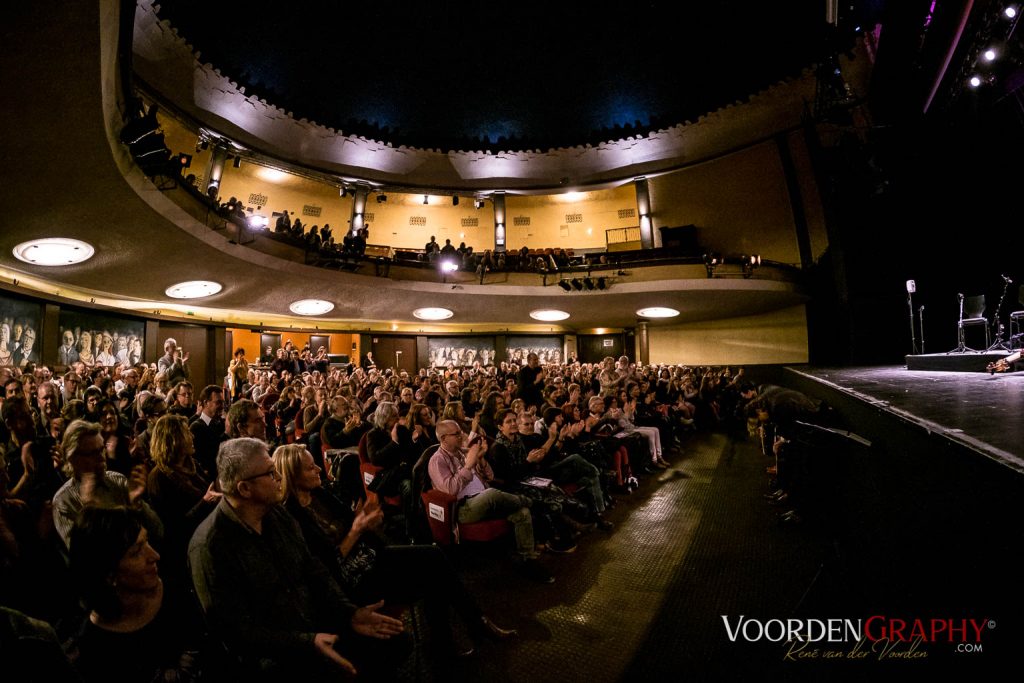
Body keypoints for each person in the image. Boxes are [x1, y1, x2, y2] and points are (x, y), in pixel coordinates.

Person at [273, 444, 516, 666]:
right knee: (432, 578)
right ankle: (458, 639)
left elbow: (355, 526)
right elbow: (324, 568)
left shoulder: (319, 495)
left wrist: (364, 523)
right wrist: (357, 530)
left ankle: (472, 625)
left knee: (434, 557)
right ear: (293, 475)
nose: (318, 468)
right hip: (350, 580)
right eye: (309, 467)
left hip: (371, 557)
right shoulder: (290, 517)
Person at [188, 437, 406, 679]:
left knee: (395, 643)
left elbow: (314, 569)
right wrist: (307, 642)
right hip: (275, 654)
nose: (279, 478)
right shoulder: (210, 546)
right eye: (271, 473)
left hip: (314, 623)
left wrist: (348, 613)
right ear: (245, 489)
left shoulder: (277, 516)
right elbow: (236, 632)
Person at [66, 505, 203, 683]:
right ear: (109, 575)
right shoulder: (94, 649)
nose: (155, 555)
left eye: (147, 541)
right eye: (137, 552)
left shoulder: (175, 589)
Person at [427, 419, 553, 582]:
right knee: (492, 494)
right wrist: (468, 465)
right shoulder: (437, 460)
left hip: (484, 498)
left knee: (522, 512)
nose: (461, 436)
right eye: (456, 434)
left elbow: (490, 476)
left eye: (461, 432)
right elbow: (450, 490)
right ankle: (534, 502)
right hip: (464, 508)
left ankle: (527, 560)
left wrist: (480, 459)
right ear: (443, 438)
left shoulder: (461, 452)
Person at [52, 420, 163, 551]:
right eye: (92, 453)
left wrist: (137, 506)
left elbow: (158, 531)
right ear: (73, 458)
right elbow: (82, 557)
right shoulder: (64, 502)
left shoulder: (118, 481)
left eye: (101, 450)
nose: (101, 458)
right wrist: (91, 513)